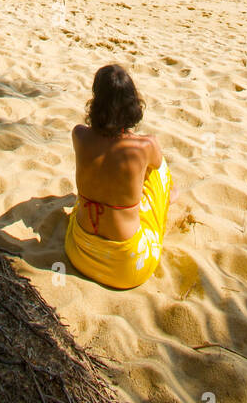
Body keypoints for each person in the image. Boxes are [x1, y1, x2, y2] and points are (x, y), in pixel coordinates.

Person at [65, 64, 171, 288]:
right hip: (127, 267)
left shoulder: (79, 135)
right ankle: (171, 199)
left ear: (95, 102)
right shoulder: (144, 146)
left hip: (78, 252)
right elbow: (157, 166)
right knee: (159, 171)